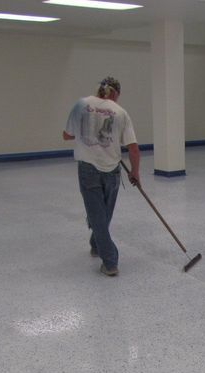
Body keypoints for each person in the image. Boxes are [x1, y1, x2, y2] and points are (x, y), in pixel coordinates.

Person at [63, 76, 140, 277]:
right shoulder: (121, 112)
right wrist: (135, 172)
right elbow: (133, 148)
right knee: (103, 213)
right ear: (115, 93)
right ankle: (110, 259)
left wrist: (83, 133)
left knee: (99, 216)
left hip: (88, 169)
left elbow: (67, 134)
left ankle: (97, 245)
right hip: (112, 170)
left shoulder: (81, 104)